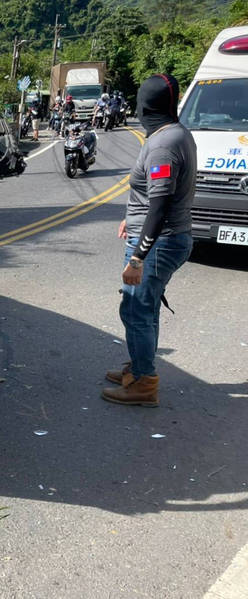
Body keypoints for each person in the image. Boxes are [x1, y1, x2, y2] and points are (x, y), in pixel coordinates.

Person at [102, 74, 196, 407]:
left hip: (159, 243)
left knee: (137, 310)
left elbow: (160, 204)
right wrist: (133, 217)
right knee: (145, 307)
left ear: (145, 106)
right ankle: (139, 368)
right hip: (162, 237)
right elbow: (154, 196)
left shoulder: (162, 145)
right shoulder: (174, 134)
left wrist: (138, 257)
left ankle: (143, 383)